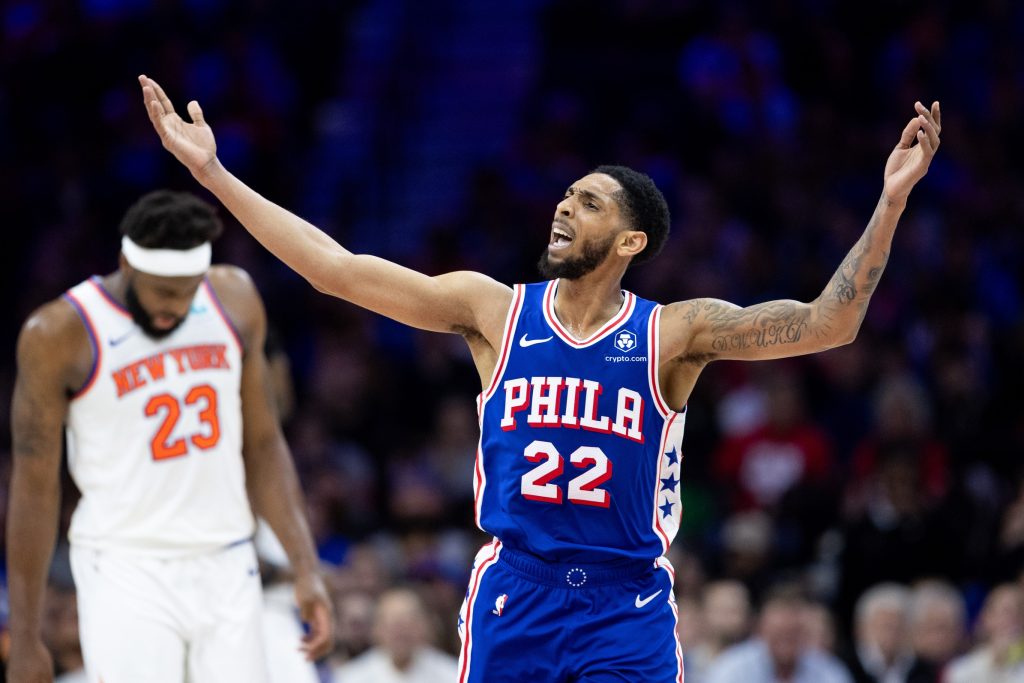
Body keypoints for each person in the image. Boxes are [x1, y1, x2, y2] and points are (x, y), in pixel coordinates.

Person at [139, 73, 941, 682]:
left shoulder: (673, 331)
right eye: (565, 194)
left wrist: (890, 203)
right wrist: (213, 174)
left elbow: (828, 322)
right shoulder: (494, 311)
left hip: (626, 604)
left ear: (629, 241)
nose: (563, 206)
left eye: (588, 202)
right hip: (515, 589)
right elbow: (337, 271)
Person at [5, 190, 333, 683]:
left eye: (186, 291)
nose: (174, 309)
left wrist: (304, 566)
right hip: (124, 564)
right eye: (161, 292)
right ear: (125, 264)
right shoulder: (58, 333)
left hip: (227, 557)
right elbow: (33, 485)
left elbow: (264, 445)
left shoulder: (234, 300)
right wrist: (26, 636)